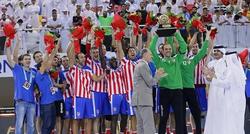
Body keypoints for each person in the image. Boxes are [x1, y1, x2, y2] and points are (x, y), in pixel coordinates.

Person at [149, 30, 187, 134]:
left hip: (177, 91)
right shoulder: (159, 61)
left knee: (179, 116)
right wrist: (157, 35)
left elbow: (184, 47)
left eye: (170, 49)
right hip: (164, 91)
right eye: (166, 49)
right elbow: (151, 48)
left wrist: (177, 34)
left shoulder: (178, 59)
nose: (168, 50)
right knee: (163, 116)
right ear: (162, 51)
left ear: (172, 49)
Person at [204, 46, 246, 134]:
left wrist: (212, 77)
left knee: (231, 123)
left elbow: (226, 83)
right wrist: (212, 75)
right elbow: (223, 79)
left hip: (232, 101)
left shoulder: (234, 71)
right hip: (232, 100)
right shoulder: (236, 70)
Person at [181, 31, 211, 134]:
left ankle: (200, 130)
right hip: (186, 87)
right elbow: (188, 46)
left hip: (198, 86)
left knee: (198, 110)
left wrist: (208, 35)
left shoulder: (197, 58)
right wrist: (195, 34)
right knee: (187, 110)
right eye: (193, 47)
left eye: (196, 47)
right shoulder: (185, 58)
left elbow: (207, 48)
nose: (194, 48)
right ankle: (193, 130)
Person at [6, 37, 37, 134]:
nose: (28, 60)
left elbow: (36, 85)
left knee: (31, 125)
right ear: (22, 61)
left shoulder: (34, 72)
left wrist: (37, 90)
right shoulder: (18, 69)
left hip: (32, 102)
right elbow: (12, 57)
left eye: (29, 59)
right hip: (20, 102)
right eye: (26, 59)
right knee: (19, 125)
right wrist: (16, 43)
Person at [132, 48, 166, 134]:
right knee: (148, 126)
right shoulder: (143, 65)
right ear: (144, 55)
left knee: (141, 126)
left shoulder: (139, 65)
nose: (151, 56)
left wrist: (157, 75)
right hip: (144, 101)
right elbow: (151, 82)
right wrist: (158, 75)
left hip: (138, 100)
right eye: (150, 54)